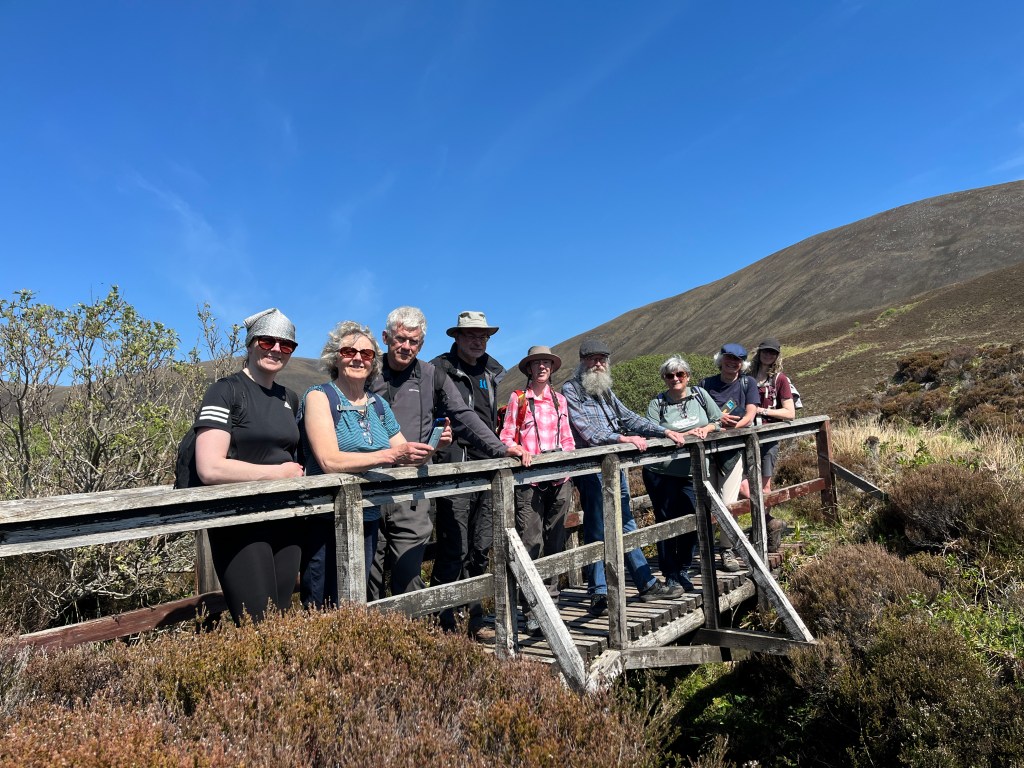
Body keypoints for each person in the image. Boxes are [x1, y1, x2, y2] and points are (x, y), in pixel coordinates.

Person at [367, 306, 530, 605]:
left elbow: (462, 414)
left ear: (421, 344)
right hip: (368, 484)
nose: (406, 346)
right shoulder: (367, 369)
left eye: (414, 341)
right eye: (400, 339)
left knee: (409, 573)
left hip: (412, 487)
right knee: (368, 575)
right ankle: (371, 634)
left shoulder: (432, 375)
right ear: (386, 338)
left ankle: (416, 630)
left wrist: (499, 448)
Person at [299, 321, 441, 608]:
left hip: (367, 517)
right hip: (326, 521)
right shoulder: (319, 397)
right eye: (349, 351)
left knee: (356, 602)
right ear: (335, 357)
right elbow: (329, 460)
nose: (358, 358)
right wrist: (388, 456)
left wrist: (429, 448)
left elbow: (403, 451)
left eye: (366, 354)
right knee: (322, 604)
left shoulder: (377, 404)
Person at [561, 339, 688, 617]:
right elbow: (586, 430)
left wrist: (663, 431)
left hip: (615, 465)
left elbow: (628, 417)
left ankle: (645, 583)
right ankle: (599, 592)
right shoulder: (571, 390)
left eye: (602, 359)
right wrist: (621, 438)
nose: (598, 364)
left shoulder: (605, 390)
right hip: (592, 468)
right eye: (592, 359)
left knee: (626, 519)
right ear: (582, 361)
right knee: (596, 525)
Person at [193, 308, 305, 624]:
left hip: (286, 519)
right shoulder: (225, 391)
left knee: (281, 618)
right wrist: (277, 474)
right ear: (251, 343)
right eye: (267, 341)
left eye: (286, 344)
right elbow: (210, 468)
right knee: (259, 622)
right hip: (239, 520)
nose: (276, 349)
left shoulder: (289, 398)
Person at [430, 311, 529, 634]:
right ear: (456, 337)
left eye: (483, 336)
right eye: (471, 335)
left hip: (488, 467)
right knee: (453, 547)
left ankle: (473, 619)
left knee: (481, 546)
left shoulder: (491, 370)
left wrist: (499, 448)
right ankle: (442, 622)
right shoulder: (438, 370)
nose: (478, 341)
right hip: (455, 467)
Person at [499, 345, 576, 636]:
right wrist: (517, 450)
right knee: (531, 543)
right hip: (529, 482)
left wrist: (569, 461)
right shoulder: (518, 399)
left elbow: (567, 438)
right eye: (537, 363)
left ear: (552, 368)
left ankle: (551, 604)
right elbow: (506, 436)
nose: (542, 367)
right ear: (529, 369)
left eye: (546, 362)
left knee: (555, 541)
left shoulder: (560, 400)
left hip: (559, 479)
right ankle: (532, 610)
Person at [641, 356, 723, 591]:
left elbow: (718, 420)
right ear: (664, 379)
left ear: (687, 376)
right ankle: (670, 573)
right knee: (665, 521)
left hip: (692, 472)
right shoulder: (657, 403)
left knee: (695, 518)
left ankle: (684, 567)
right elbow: (651, 431)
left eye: (680, 374)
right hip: (661, 472)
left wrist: (706, 429)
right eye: (670, 375)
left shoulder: (700, 395)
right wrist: (686, 434)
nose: (675, 378)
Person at [700, 343, 760, 572]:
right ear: (721, 359)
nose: (732, 362)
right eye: (729, 357)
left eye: (737, 359)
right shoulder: (705, 384)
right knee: (707, 502)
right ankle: (707, 548)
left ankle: (727, 549)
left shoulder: (747, 383)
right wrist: (716, 422)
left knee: (727, 502)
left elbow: (751, 413)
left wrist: (733, 428)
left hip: (733, 450)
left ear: (742, 363)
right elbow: (698, 413)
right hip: (706, 451)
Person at [747, 337, 796, 553]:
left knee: (765, 486)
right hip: (744, 438)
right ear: (759, 353)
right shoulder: (746, 377)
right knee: (744, 485)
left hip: (768, 438)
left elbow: (790, 413)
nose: (768, 355)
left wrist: (762, 411)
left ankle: (763, 529)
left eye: (772, 352)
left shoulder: (780, 380)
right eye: (765, 351)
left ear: (777, 356)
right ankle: (768, 523)